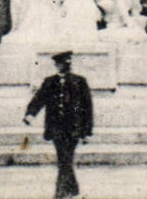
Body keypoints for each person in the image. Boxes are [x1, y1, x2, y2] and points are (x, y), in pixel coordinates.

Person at [24, 51, 94, 199]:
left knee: (65, 159)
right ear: (57, 65)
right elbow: (39, 98)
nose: (65, 66)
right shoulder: (49, 82)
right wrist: (30, 114)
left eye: (67, 63)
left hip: (74, 128)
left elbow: (87, 108)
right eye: (62, 63)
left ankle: (61, 193)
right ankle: (72, 191)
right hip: (56, 128)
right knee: (64, 158)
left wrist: (86, 132)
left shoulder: (79, 82)